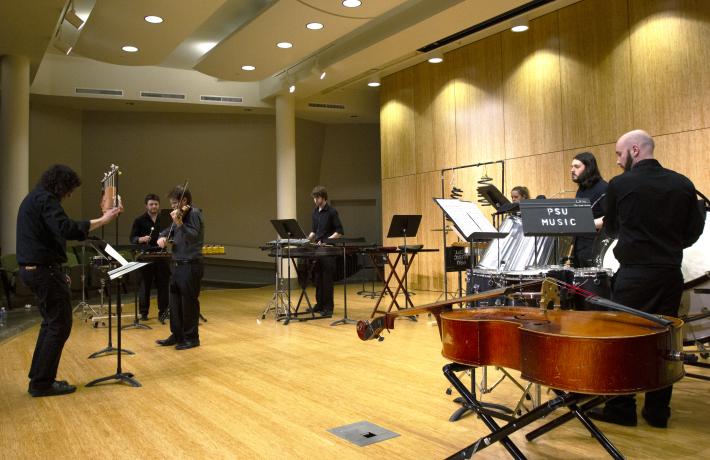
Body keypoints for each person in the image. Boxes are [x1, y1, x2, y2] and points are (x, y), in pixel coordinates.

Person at [588, 130, 704, 428]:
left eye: (618, 154)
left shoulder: (621, 184)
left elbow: (612, 229)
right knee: (664, 343)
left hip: (634, 276)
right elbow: (693, 231)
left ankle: (621, 408)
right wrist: (669, 246)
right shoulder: (683, 184)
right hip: (669, 274)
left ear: (635, 150)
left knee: (623, 341)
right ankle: (657, 411)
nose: (616, 161)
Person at [16, 164, 122, 397]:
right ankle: (42, 383)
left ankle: (39, 378)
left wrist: (56, 266)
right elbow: (66, 229)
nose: (70, 194)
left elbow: (47, 236)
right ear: (61, 186)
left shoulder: (34, 199)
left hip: (38, 269)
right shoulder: (45, 200)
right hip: (43, 271)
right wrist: (103, 219)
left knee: (50, 323)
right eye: (69, 189)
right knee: (59, 325)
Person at [156, 185, 204, 350]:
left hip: (190, 265)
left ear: (184, 200)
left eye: (175, 203)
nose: (173, 207)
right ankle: (177, 335)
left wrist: (180, 223)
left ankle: (192, 338)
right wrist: (162, 237)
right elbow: (166, 231)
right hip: (176, 264)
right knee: (175, 303)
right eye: (171, 203)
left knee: (188, 303)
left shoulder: (194, 214)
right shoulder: (178, 216)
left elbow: (193, 236)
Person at [129, 193, 170, 322]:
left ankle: (163, 311)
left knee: (163, 284)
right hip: (145, 256)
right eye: (151, 204)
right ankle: (144, 312)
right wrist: (141, 239)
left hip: (161, 255)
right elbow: (133, 238)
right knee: (145, 285)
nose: (154, 206)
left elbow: (171, 234)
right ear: (146, 205)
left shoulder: (164, 219)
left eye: (156, 204)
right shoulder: (139, 220)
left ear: (159, 205)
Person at [307, 186, 343, 317]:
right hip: (318, 250)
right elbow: (314, 231)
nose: (315, 200)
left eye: (317, 197)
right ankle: (319, 305)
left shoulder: (332, 212)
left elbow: (339, 232)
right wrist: (306, 239)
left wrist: (327, 240)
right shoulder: (315, 212)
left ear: (323, 197)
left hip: (328, 251)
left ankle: (328, 308)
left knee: (327, 280)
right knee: (318, 278)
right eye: (314, 198)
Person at [570, 152, 608, 267]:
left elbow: (611, 217)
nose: (572, 170)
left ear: (588, 168)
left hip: (595, 246)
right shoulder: (581, 189)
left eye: (576, 167)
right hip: (580, 245)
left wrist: (587, 224)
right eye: (571, 166)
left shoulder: (603, 188)